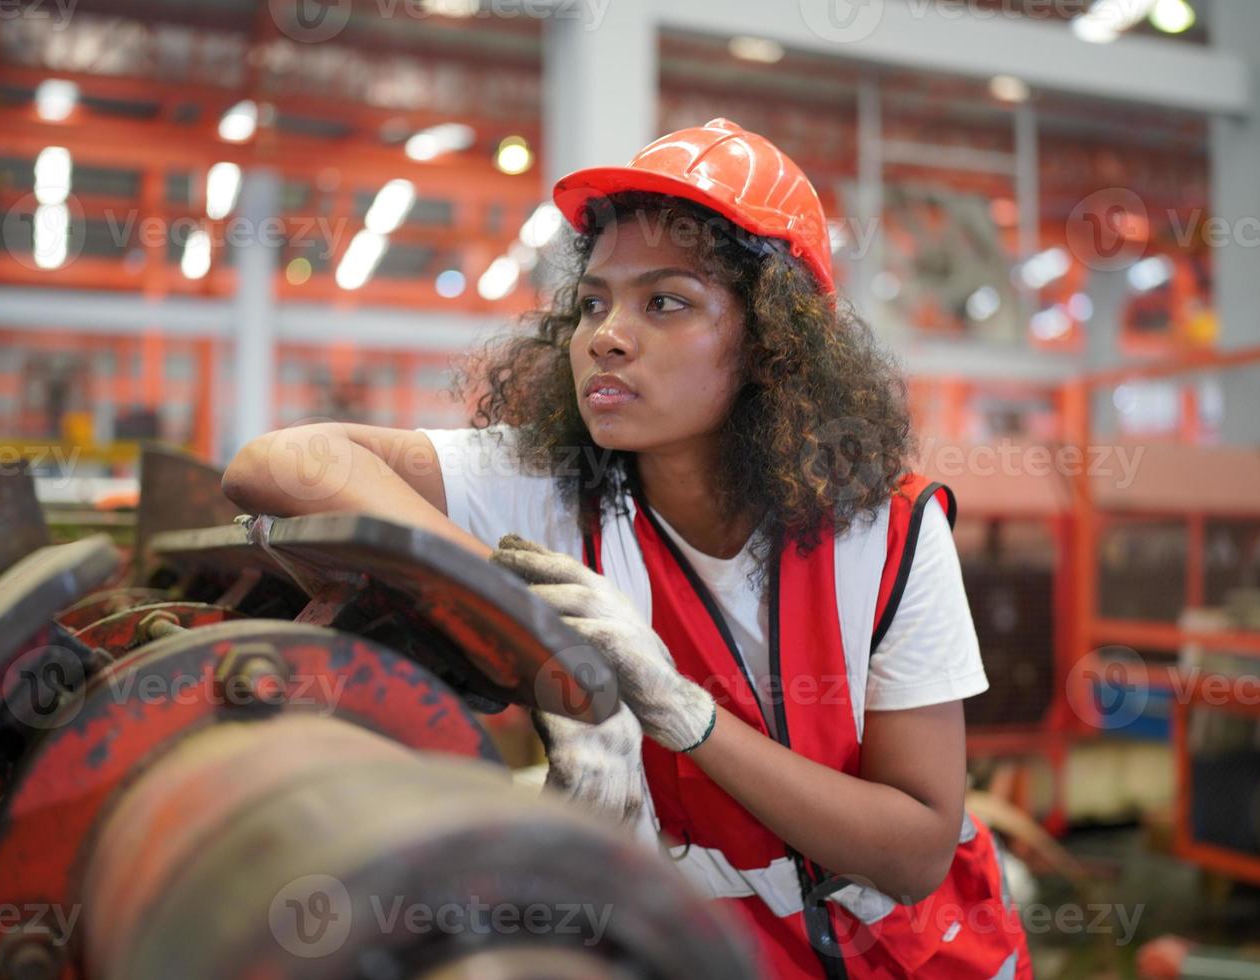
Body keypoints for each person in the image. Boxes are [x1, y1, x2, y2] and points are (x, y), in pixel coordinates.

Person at [223, 118, 1031, 979]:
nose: (607, 334)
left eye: (665, 302)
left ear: (772, 343)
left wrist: (685, 716)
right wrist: (499, 601)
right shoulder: (551, 482)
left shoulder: (887, 531)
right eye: (593, 302)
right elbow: (277, 463)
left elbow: (913, 853)